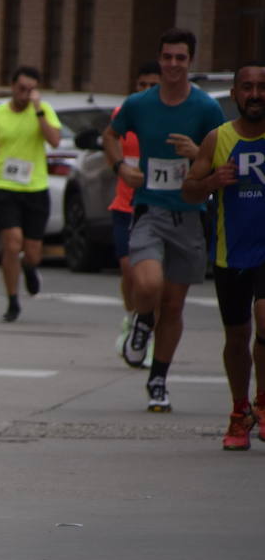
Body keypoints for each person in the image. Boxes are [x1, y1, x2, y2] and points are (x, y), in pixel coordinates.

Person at [102, 28, 225, 412]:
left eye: (181, 58)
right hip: (149, 210)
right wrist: (121, 167)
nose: (173, 65)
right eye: (167, 57)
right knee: (148, 282)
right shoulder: (139, 104)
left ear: (190, 62)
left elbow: (221, 158)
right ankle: (141, 319)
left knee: (173, 307)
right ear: (159, 59)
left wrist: (196, 153)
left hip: (190, 214)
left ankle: (158, 379)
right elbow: (109, 136)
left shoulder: (206, 108)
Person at [182, 62, 265, 450]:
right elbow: (189, 190)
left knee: (264, 319)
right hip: (231, 251)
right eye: (246, 87)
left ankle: (263, 403)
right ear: (234, 95)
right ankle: (239, 411)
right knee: (237, 336)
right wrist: (213, 182)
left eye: (261, 87)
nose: (254, 95)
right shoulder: (219, 139)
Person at [0, 66, 62, 322]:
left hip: (35, 188)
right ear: (12, 86)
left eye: (30, 90)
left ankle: (30, 267)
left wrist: (39, 109)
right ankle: (12, 300)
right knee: (11, 243)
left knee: (32, 251)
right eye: (21, 89)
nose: (25, 94)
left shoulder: (44, 111)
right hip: (4, 186)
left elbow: (55, 141)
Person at [109, 62, 163, 357]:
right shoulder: (125, 113)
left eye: (152, 85)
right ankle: (132, 320)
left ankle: (147, 329)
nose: (145, 91)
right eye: (141, 85)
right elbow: (109, 142)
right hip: (124, 205)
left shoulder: (170, 117)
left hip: (156, 206)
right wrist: (119, 167)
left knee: (152, 278)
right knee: (129, 270)